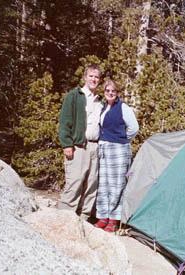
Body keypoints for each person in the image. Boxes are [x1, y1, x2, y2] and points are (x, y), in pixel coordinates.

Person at [58, 64, 102, 220]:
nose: (93, 79)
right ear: (85, 77)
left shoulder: (100, 101)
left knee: (91, 184)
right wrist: (66, 144)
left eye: (96, 77)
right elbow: (64, 121)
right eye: (91, 76)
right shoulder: (74, 96)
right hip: (78, 147)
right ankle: (64, 218)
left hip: (95, 147)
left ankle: (84, 218)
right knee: (75, 181)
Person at [94, 79, 139, 232]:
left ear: (117, 93)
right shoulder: (103, 107)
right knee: (103, 184)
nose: (110, 93)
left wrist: (123, 139)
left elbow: (134, 128)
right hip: (104, 148)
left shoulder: (123, 107)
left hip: (119, 149)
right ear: (104, 92)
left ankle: (113, 219)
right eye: (107, 90)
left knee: (117, 185)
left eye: (113, 91)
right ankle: (102, 216)